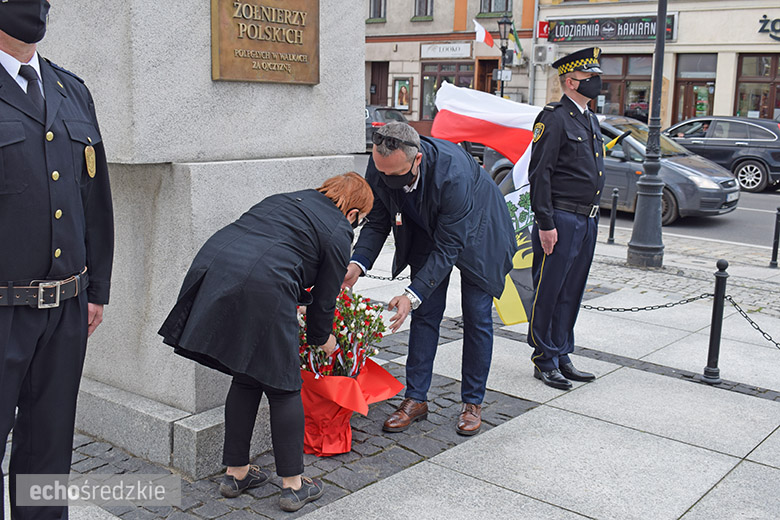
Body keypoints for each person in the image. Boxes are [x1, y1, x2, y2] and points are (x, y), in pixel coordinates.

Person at [159, 172, 373, 512]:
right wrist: (323, 338)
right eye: (360, 221)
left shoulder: (286, 199)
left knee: (246, 377)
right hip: (264, 284)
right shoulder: (339, 228)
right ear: (353, 213)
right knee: (284, 387)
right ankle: (293, 485)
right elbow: (326, 297)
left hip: (217, 265)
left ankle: (236, 474)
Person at [0, 1, 115, 518]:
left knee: (47, 455)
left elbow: (95, 199)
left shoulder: (71, 90)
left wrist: (97, 290)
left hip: (65, 310)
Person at [343, 122, 515, 436]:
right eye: (382, 174)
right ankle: (416, 398)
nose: (386, 180)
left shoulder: (454, 174)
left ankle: (472, 401)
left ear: (417, 160)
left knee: (477, 317)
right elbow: (378, 219)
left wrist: (412, 292)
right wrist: (358, 263)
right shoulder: (382, 162)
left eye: (395, 175)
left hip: (479, 231)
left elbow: (449, 246)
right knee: (424, 315)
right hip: (423, 225)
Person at [526, 47, 605, 390]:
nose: (597, 83)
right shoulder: (554, 118)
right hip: (560, 218)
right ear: (571, 82)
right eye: (590, 78)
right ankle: (544, 357)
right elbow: (540, 174)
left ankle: (561, 352)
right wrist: (545, 224)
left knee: (572, 290)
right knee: (550, 289)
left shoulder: (589, 117)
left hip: (587, 219)